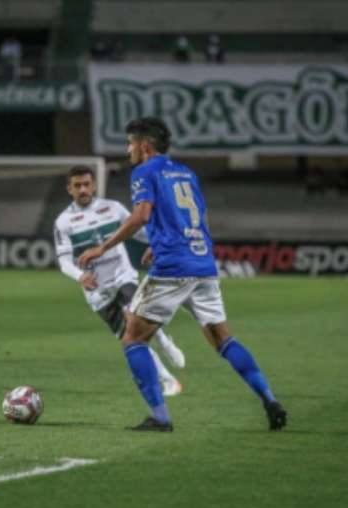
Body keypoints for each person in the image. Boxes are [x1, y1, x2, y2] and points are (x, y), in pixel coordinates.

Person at [78, 117, 286, 432]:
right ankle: (270, 399)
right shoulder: (186, 173)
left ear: (144, 146)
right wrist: (161, 243)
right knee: (223, 339)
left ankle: (160, 417)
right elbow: (199, 216)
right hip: (202, 263)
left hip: (173, 268)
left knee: (132, 337)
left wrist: (103, 247)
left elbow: (141, 215)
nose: (128, 149)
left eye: (131, 143)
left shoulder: (144, 171)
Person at [54, 166, 185, 396]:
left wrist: (155, 243)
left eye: (86, 184)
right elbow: (65, 262)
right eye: (77, 185)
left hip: (122, 275)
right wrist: (80, 276)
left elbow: (139, 231)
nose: (83, 189)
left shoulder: (113, 208)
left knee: (139, 317)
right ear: (69, 189)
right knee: (129, 339)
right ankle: (169, 381)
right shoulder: (63, 222)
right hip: (96, 290)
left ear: (94, 185)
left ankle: (165, 342)